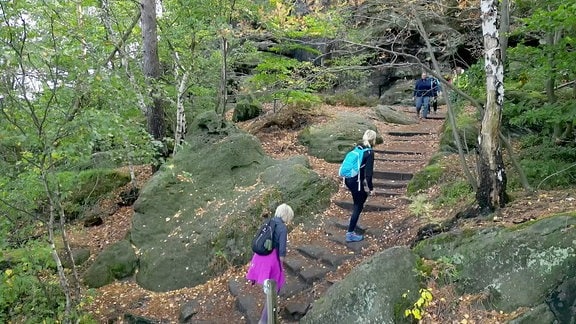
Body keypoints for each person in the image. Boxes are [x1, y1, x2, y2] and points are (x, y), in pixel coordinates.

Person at [246, 203, 294, 324]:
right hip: (271, 259)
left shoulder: (269, 222)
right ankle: (264, 319)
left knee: (268, 286)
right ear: (287, 216)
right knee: (275, 287)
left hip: (258, 257)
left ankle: (268, 310)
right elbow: (282, 250)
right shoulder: (282, 228)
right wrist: (280, 265)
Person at [343, 129, 377, 243]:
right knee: (358, 204)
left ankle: (353, 219)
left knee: (361, 199)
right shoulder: (369, 152)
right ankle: (350, 233)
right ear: (374, 140)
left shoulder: (358, 147)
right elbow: (369, 174)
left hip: (348, 179)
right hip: (355, 181)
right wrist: (371, 188)